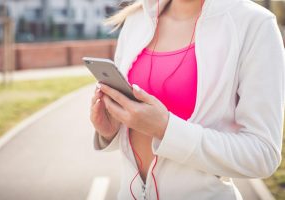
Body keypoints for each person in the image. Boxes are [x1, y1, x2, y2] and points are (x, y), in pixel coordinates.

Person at [90, 0, 285, 199]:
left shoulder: (255, 24)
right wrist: (110, 131)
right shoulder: (137, 18)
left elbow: (263, 154)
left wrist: (166, 129)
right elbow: (134, 126)